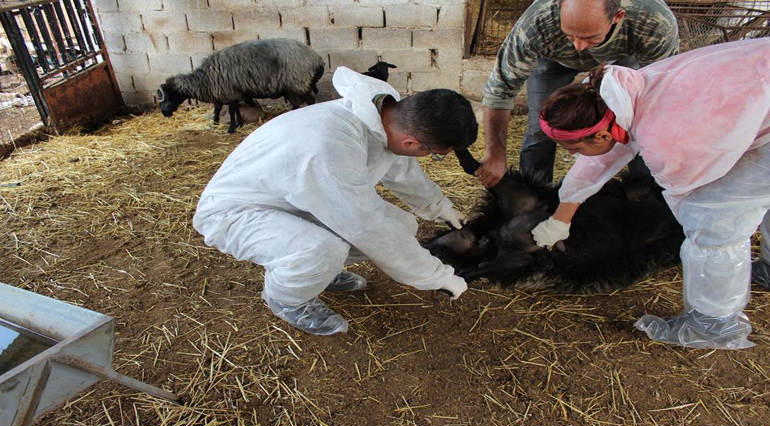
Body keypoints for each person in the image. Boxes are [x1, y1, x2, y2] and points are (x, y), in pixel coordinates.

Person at [192, 67, 478, 336]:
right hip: (238, 213)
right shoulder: (329, 146)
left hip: (294, 202)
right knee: (321, 250)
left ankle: (317, 274)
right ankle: (287, 299)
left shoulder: (384, 119)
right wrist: (437, 276)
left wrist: (440, 207)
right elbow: (367, 226)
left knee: (402, 225)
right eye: (435, 154)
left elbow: (400, 170)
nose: (430, 158)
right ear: (411, 143)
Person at [532, 38, 770, 349]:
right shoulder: (620, 95)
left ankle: (713, 323)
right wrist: (560, 219)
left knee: (712, 215)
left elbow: (688, 200)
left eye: (571, 148)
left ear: (601, 134)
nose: (573, 154)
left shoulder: (666, 140)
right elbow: (601, 155)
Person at [478, 0, 679, 187]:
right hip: (554, 60)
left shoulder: (652, 20)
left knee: (636, 126)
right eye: (569, 34)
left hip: (623, 58)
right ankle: (533, 193)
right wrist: (495, 154)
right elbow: (500, 91)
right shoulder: (536, 23)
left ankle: (642, 191)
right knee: (541, 125)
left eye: (589, 36)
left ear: (617, 17)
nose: (579, 46)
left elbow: (659, 91)